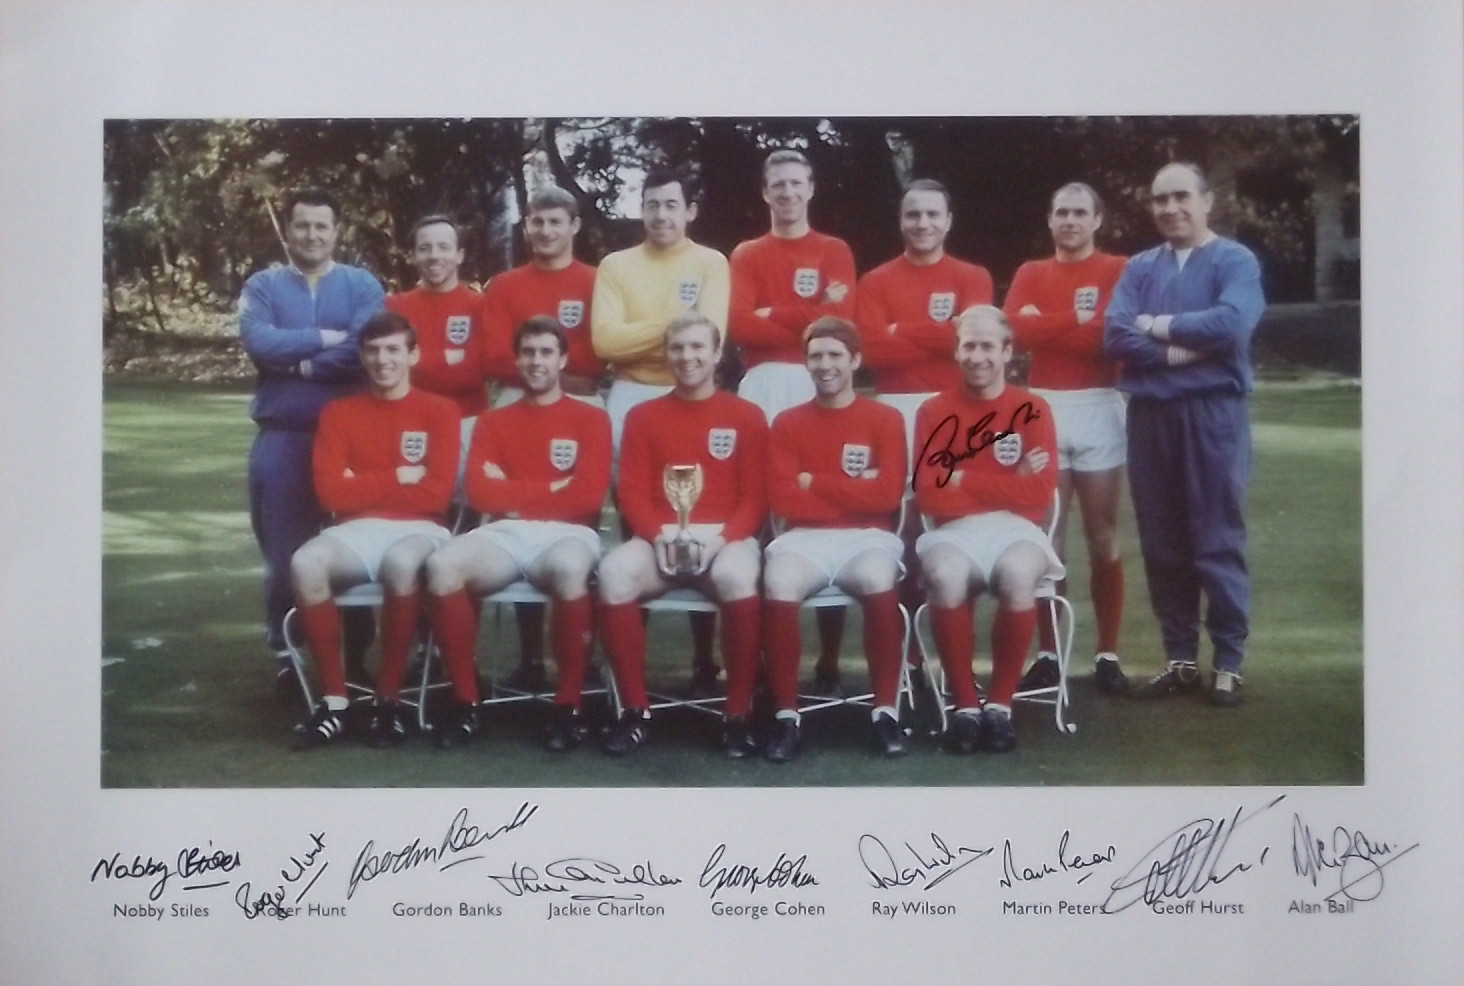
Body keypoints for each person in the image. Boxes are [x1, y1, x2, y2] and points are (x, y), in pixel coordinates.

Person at [1103, 162, 1265, 708]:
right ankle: (1180, 659)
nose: (1170, 208)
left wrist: (1161, 325)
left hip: (1213, 413)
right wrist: (1180, 351)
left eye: (1180, 197)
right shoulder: (1140, 267)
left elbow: (1232, 325)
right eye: (1159, 199)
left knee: (1216, 536)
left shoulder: (1234, 260)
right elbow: (1117, 335)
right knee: (1164, 541)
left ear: (1206, 201)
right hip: (1151, 416)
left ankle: (1229, 662)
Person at [423, 316, 612, 751]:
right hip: (506, 534)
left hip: (568, 534)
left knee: (568, 569)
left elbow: (585, 498)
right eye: (528, 352)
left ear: (563, 359)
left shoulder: (591, 419)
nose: (536, 361)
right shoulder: (491, 421)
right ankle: (466, 701)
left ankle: (568, 705)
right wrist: (550, 489)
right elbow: (479, 492)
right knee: (442, 565)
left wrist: (511, 490)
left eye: (546, 352)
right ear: (517, 359)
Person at [595, 313, 767, 757]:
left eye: (697, 348)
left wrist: (721, 539)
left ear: (716, 354)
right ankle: (634, 711)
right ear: (666, 355)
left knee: (735, 578)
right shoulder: (642, 415)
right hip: (660, 537)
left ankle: (737, 714)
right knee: (614, 573)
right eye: (677, 348)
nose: (687, 357)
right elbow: (631, 491)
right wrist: (657, 537)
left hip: (724, 538)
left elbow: (754, 498)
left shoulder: (746, 415)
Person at [287, 311, 460, 750]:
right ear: (362, 356)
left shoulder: (440, 411)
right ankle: (335, 703)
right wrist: (399, 475)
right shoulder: (339, 413)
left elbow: (435, 497)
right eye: (373, 350)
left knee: (402, 562)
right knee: (305, 563)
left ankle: (388, 700)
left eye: (393, 350)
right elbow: (329, 495)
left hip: (422, 530)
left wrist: (359, 483)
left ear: (413, 354)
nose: (383, 360)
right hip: (355, 531)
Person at [238, 186, 384, 695]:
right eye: (303, 225)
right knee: (285, 554)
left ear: (336, 230)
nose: (312, 235)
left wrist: (297, 360)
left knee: (356, 548)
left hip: (355, 441)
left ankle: (354, 655)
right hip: (285, 439)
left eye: (322, 225)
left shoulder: (362, 284)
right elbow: (260, 343)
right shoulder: (263, 285)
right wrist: (326, 338)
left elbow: (365, 348)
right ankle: (288, 655)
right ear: (288, 230)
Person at [591, 167, 730, 695]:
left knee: (701, 512)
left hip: (696, 400)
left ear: (689, 210)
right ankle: (631, 664)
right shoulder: (616, 264)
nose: (661, 215)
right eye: (651, 205)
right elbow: (605, 342)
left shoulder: (711, 262)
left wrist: (659, 335)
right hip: (632, 395)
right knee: (639, 519)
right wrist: (676, 326)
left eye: (671, 205)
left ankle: (704, 656)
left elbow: (712, 335)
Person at [730, 149, 858, 695]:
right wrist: (802, 316)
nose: (786, 192)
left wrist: (771, 313)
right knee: (759, 513)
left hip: (816, 382)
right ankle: (761, 653)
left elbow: (840, 326)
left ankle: (828, 657)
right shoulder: (747, 252)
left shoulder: (834, 249)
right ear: (765, 193)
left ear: (811, 188)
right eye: (776, 184)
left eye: (795, 183)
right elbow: (739, 327)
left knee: (821, 512)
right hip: (761, 385)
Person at [856, 179, 994, 664]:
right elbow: (872, 350)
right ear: (901, 220)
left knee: (959, 527)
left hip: (956, 411)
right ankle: (907, 659)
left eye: (933, 214)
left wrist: (902, 330)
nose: (923, 224)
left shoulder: (972, 276)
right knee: (903, 531)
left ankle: (959, 659)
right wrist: (937, 333)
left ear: (949, 220)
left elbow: (971, 339)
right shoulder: (875, 281)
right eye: (914, 215)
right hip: (895, 410)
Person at [913, 306, 1060, 754]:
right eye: (968, 345)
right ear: (956, 350)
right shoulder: (933, 410)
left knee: (1018, 574)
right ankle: (965, 707)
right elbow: (931, 496)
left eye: (987, 346)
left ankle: (999, 707)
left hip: (1017, 529)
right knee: (946, 576)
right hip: (953, 530)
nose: (977, 356)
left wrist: (963, 477)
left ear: (1007, 351)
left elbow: (1038, 495)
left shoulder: (1033, 409)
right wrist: (1009, 481)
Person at [762, 317, 908, 761]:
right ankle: (787, 716)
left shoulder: (885, 417)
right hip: (804, 538)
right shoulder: (787, 423)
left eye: (835, 356)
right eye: (816, 356)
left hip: (868, 537)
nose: (824, 365)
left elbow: (886, 496)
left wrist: (814, 481)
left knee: (877, 577)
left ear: (856, 360)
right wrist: (851, 490)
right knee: (779, 583)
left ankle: (885, 711)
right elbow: (784, 500)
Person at [1004, 182, 1130, 696]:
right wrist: (1078, 320)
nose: (1070, 220)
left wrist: (1050, 324)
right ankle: (1049, 655)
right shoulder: (1032, 273)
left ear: (1098, 219)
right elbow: (1015, 331)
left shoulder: (1119, 269)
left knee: (1101, 535)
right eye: (1061, 212)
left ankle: (1107, 652)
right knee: (1046, 537)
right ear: (1050, 220)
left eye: (1080, 212)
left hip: (1100, 405)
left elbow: (1112, 335)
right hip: (1044, 406)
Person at [476, 186, 603, 690]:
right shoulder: (505, 285)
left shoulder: (597, 280)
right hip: (514, 407)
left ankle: (578, 658)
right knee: (517, 523)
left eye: (555, 221)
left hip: (581, 412)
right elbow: (492, 357)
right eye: (536, 222)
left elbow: (600, 352)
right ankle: (530, 657)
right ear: (525, 227)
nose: (545, 231)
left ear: (574, 226)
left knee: (578, 520)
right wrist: (553, 376)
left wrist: (557, 378)